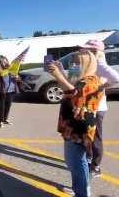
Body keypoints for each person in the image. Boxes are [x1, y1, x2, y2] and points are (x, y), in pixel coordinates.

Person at [49, 50, 104, 197]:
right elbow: (70, 88)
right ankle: (78, 189)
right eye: (72, 62)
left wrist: (58, 76)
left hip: (80, 127)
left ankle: (83, 192)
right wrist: (61, 72)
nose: (73, 65)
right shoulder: (82, 79)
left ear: (87, 64)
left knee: (76, 161)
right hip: (72, 125)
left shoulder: (90, 81)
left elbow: (74, 95)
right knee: (73, 161)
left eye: (77, 63)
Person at [78, 40, 119, 178]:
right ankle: (89, 159)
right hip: (87, 106)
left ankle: (95, 166)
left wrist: (103, 86)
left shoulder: (100, 64)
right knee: (87, 135)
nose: (83, 51)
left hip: (97, 107)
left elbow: (116, 78)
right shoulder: (89, 64)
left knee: (95, 137)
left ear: (96, 52)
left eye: (87, 49)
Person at [0, 55, 21, 128]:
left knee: (8, 106)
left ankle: (5, 119)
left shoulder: (12, 69)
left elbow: (18, 79)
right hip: (1, 91)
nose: (6, 62)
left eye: (6, 60)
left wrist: (17, 77)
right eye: (3, 61)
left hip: (11, 90)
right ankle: (1, 121)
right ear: (0, 63)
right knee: (1, 106)